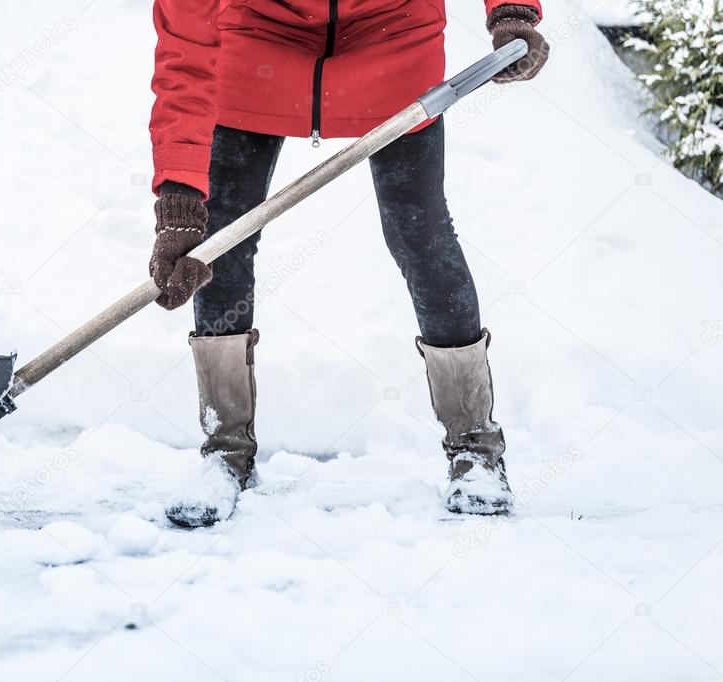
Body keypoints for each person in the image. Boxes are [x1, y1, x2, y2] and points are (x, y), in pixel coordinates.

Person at [147, 0, 549, 527]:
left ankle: (475, 448)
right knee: (222, 241)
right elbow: (186, 51)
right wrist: (179, 197)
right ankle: (225, 451)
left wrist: (513, 11)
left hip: (395, 43)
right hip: (254, 52)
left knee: (420, 234)